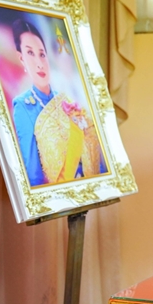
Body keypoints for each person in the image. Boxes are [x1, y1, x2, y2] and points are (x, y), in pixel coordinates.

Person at [10, 18, 106, 187]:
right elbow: (33, 176)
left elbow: (94, 152)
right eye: (30, 53)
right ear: (21, 58)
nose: (39, 63)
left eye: (42, 54)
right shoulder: (24, 106)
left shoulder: (66, 101)